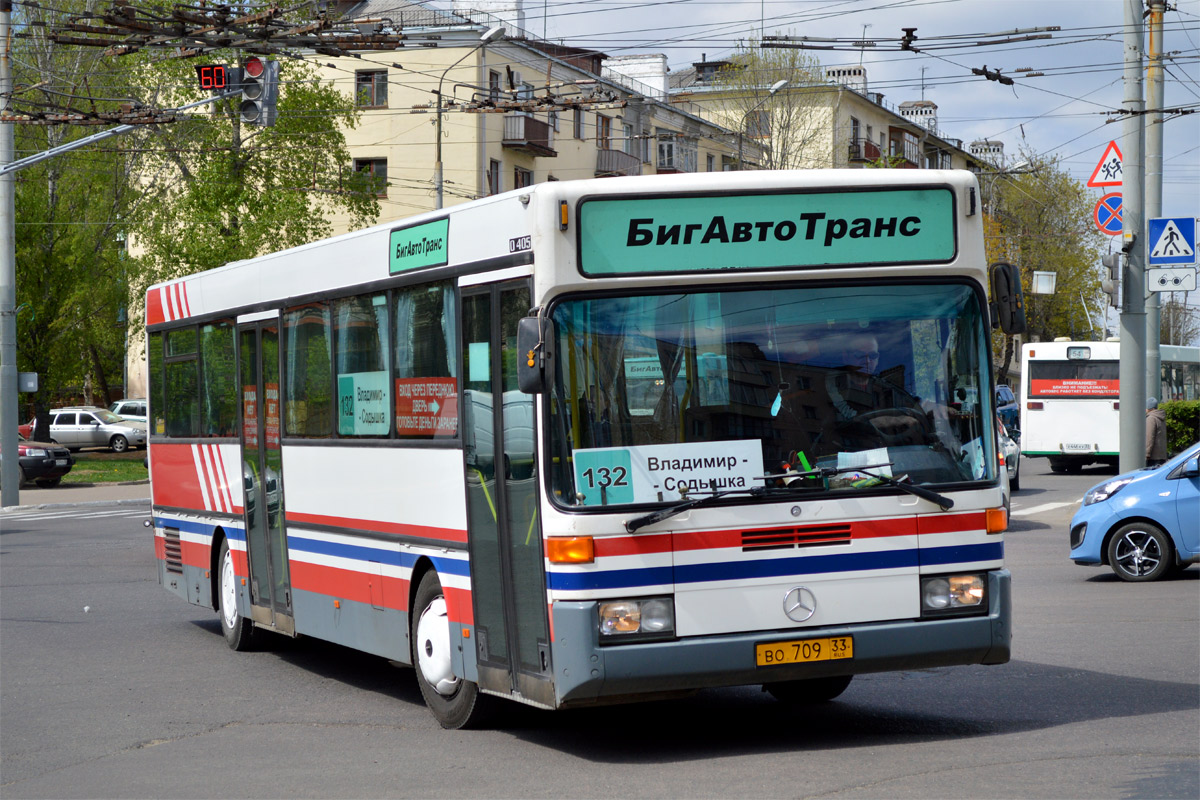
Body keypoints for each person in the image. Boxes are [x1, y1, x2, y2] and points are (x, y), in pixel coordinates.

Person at [1145, 397, 1167, 466]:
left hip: (1153, 457)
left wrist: (1147, 453)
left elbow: (1149, 437)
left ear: (1148, 408)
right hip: (1161, 456)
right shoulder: (1160, 417)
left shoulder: (1151, 419)